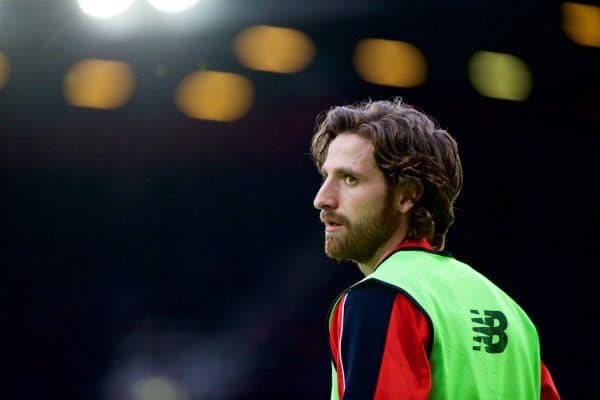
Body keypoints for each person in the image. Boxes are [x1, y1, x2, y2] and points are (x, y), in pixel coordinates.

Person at [310, 98, 560, 399]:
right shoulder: (514, 316)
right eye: (327, 177)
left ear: (407, 196)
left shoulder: (380, 298)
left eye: (350, 179)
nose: (322, 198)